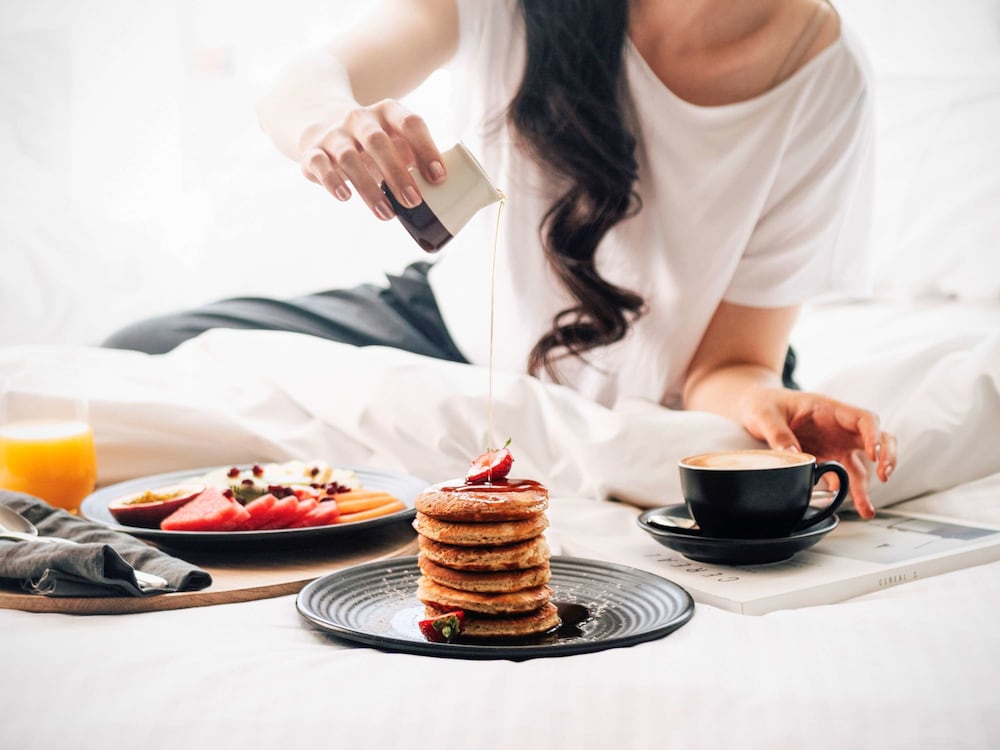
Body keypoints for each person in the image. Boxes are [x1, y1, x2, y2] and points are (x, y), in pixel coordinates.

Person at [103, 0, 897, 517]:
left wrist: (764, 401)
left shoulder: (826, 79)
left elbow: (726, 366)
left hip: (665, 387)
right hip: (444, 325)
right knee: (140, 357)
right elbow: (310, 79)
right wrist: (328, 126)